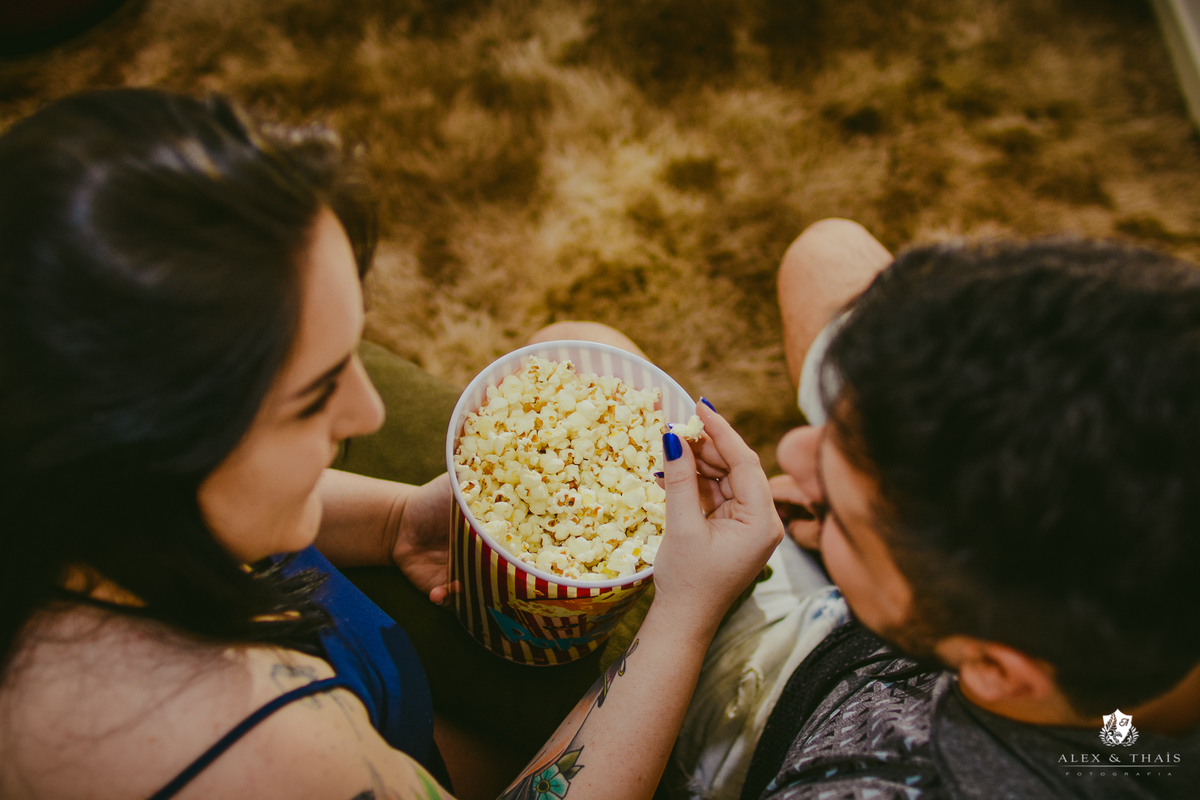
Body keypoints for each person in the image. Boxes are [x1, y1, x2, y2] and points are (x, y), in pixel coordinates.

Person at [0, 88, 783, 800]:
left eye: (352, 354)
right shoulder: (256, 746)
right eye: (314, 392)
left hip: (378, 696)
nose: (366, 411)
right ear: (145, 449)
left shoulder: (60, 481)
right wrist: (682, 613)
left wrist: (394, 521)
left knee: (577, 339)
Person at [671, 219, 1200, 799]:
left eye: (848, 520)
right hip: (900, 630)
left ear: (994, 672)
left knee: (584, 335)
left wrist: (684, 609)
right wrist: (858, 518)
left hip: (791, 699)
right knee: (827, 251)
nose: (791, 449)